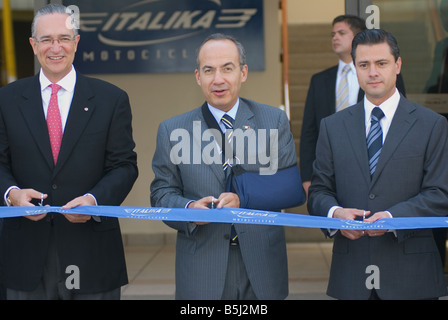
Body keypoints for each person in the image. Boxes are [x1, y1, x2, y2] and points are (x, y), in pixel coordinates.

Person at [0, 4, 138, 299]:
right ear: (33, 45)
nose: (55, 47)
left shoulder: (111, 99)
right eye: (46, 39)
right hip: (24, 253)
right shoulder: (6, 99)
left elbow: (124, 165)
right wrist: (12, 193)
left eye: (63, 38)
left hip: (91, 251)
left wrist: (94, 200)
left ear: (76, 42)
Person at [150, 33, 301, 300]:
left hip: (263, 263)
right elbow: (161, 193)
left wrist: (243, 197)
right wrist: (188, 210)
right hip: (202, 265)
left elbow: (290, 189)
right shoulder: (172, 129)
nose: (218, 79)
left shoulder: (273, 120)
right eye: (209, 70)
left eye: (227, 68)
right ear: (198, 77)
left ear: (243, 72)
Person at [307, 28, 448, 300]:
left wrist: (393, 218)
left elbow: (440, 193)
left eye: (381, 63)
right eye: (364, 65)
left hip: (412, 276)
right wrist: (335, 213)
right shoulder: (332, 126)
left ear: (397, 65)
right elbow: (318, 192)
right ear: (355, 68)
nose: (372, 72)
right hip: (351, 276)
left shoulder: (432, 125)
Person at [300, 15, 406, 196]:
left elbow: (400, 120)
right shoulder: (319, 80)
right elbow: (309, 131)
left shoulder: (386, 77)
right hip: (333, 164)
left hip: (376, 163)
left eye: (341, 33)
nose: (335, 38)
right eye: (332, 34)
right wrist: (307, 177)